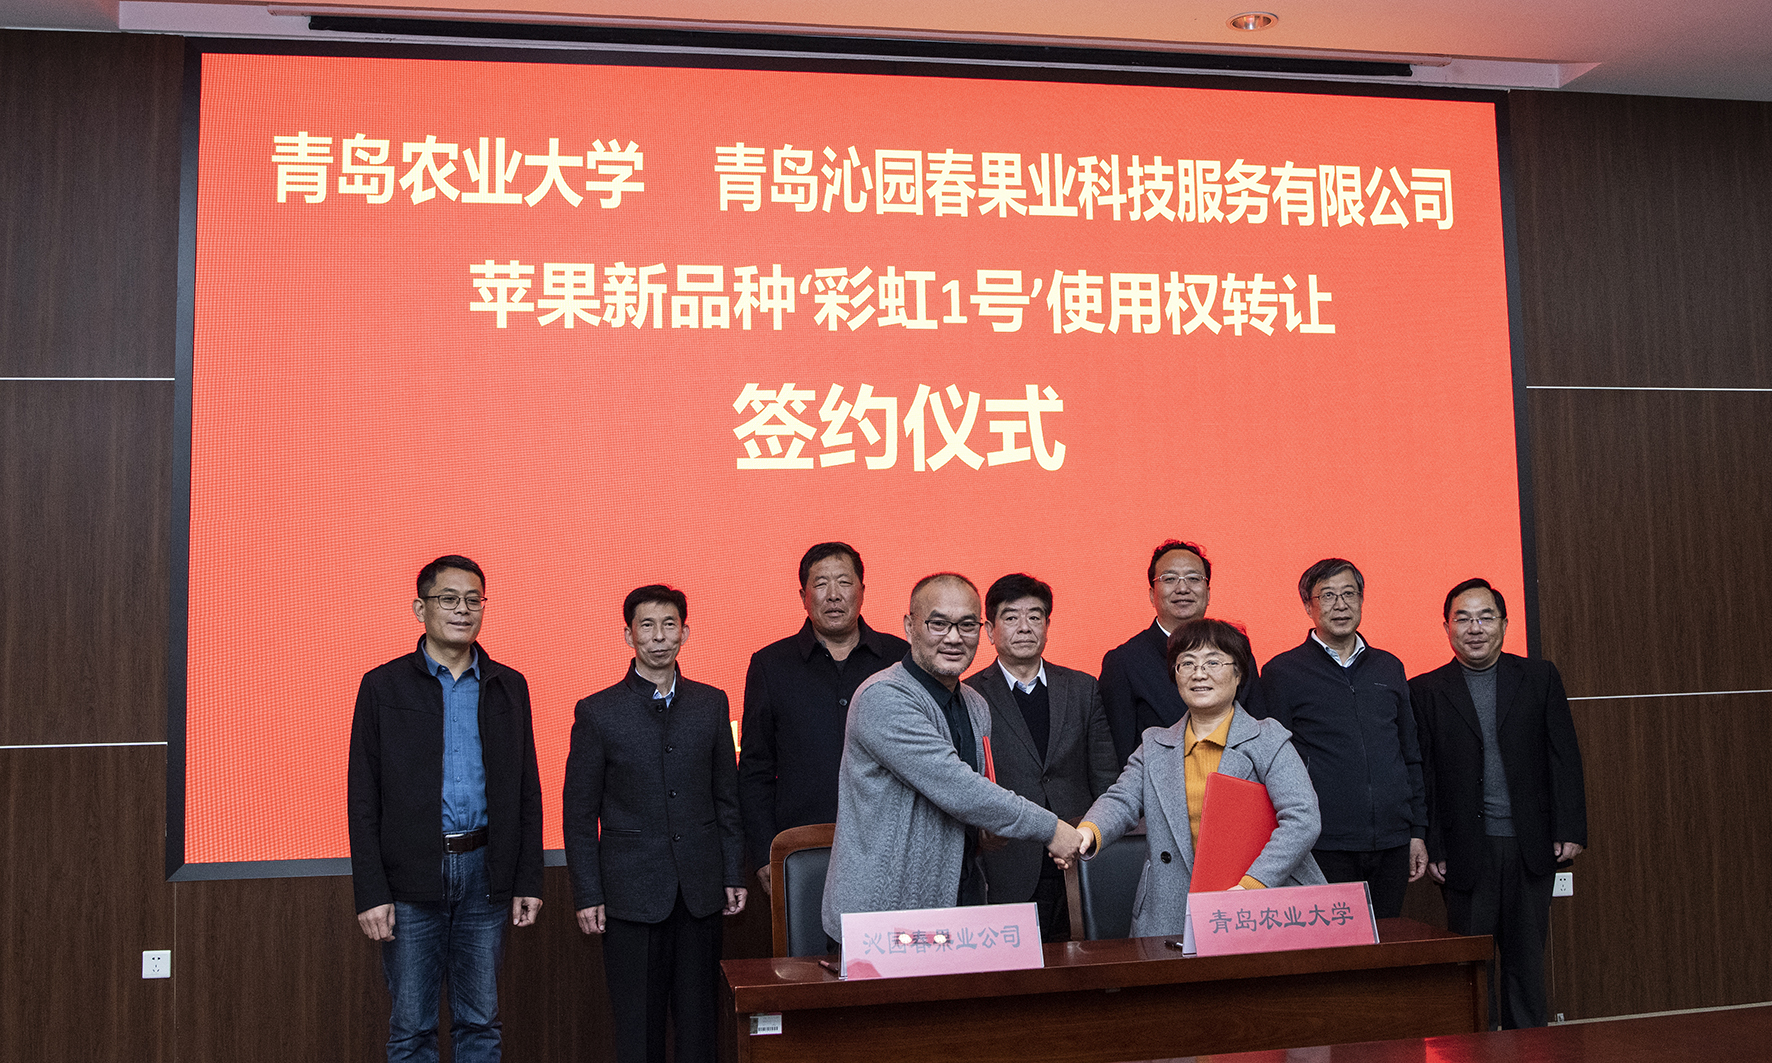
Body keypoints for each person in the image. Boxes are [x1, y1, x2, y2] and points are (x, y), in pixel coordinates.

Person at [347, 555, 543, 1063]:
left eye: (474, 600)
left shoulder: (509, 685)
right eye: (449, 599)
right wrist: (372, 891)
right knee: (412, 1028)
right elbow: (363, 797)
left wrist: (527, 879)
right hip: (411, 877)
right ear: (420, 608)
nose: (463, 610)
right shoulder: (382, 686)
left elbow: (527, 790)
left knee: (481, 1023)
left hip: (485, 875)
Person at [821, 573, 1088, 943]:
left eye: (966, 625)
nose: (953, 637)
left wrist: (983, 834)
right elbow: (956, 786)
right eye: (938, 623)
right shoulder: (882, 697)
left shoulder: (975, 704)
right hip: (882, 915)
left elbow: (968, 801)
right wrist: (1052, 829)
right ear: (909, 626)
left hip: (958, 905)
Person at [562, 585, 745, 1063]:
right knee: (638, 1032)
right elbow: (579, 815)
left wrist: (732, 872)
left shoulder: (711, 703)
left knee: (700, 1028)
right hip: (629, 895)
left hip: (700, 892)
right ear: (628, 636)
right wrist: (588, 893)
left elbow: (727, 798)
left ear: (686, 632)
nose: (659, 636)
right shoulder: (597, 711)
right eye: (647, 626)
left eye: (669, 625)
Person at [1410, 578, 1587, 1030]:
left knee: (1526, 965)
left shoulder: (1539, 677)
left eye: (1485, 617)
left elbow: (1563, 756)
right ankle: (1479, 1049)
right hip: (1466, 850)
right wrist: (1435, 843)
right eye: (1463, 618)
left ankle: (1530, 1049)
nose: (1475, 628)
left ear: (1505, 624)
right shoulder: (1425, 690)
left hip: (1530, 844)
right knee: (1472, 967)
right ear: (1446, 627)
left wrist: (1569, 828)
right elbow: (1425, 774)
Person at [1078, 618, 1324, 939]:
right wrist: (1087, 831)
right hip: (1170, 908)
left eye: (1213, 662)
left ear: (1239, 673)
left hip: (1260, 902)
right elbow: (1121, 800)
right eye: (1187, 663)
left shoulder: (1267, 739)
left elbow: (1303, 819)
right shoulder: (1155, 744)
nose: (1199, 673)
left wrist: (1252, 885)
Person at [1255, 559, 1427, 918]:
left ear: (1361, 600)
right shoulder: (1282, 673)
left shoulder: (1389, 667)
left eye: (1349, 594)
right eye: (1328, 596)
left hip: (1393, 841)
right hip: (1324, 842)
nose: (1340, 604)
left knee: (1386, 942)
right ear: (1308, 606)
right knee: (1335, 944)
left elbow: (1409, 753)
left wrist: (1416, 831)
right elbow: (1269, 764)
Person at [738, 542, 908, 895]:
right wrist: (764, 851)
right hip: (802, 850)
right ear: (803, 596)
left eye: (844, 582)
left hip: (891, 845)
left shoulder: (900, 659)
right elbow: (755, 769)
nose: (833, 595)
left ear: (862, 590)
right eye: (820, 584)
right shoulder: (771, 665)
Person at [964, 573, 1119, 941]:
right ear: (990, 630)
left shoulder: (1082, 688)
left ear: (1048, 626)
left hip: (1077, 853)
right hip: (1007, 859)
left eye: (1035, 616)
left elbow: (1105, 777)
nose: (1024, 627)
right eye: (1011, 617)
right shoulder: (969, 695)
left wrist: (1098, 841)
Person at [1098, 539, 1260, 763]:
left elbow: (1258, 731)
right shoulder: (1123, 662)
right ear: (1152, 594)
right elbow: (1118, 751)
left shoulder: (1236, 650)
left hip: (1233, 778)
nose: (1183, 588)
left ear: (1208, 593)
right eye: (1169, 579)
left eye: (1193, 578)